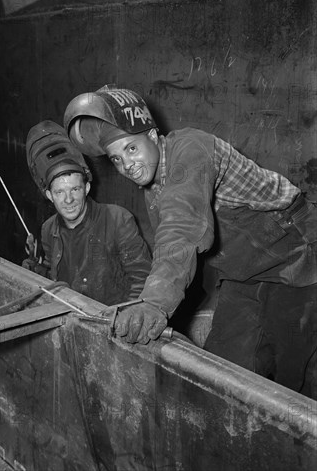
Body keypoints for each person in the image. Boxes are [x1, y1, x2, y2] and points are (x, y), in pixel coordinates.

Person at [63, 85, 317, 396]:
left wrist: (155, 303)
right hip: (245, 275)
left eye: (131, 149)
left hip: (298, 262)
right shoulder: (153, 190)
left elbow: (182, 226)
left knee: (296, 379)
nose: (126, 164)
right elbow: (176, 249)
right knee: (222, 372)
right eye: (116, 159)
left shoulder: (192, 148)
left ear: (154, 137)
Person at [23, 120, 152, 306]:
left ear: (87, 188)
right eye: (60, 192)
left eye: (75, 189)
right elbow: (55, 277)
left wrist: (123, 317)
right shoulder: (48, 229)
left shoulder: (117, 220)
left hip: (110, 321)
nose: (68, 200)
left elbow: (142, 278)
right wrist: (36, 270)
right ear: (50, 195)